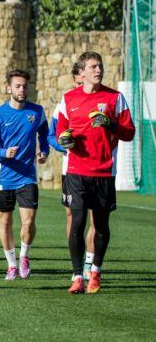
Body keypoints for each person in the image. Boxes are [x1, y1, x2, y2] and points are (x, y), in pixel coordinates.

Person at [55, 51, 135, 294]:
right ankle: (77, 276)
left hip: (103, 172)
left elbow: (129, 133)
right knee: (77, 221)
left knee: (100, 225)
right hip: (76, 171)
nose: (98, 70)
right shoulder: (68, 99)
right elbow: (61, 132)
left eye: (99, 66)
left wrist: (109, 124)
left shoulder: (115, 98)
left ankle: (96, 272)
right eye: (92, 66)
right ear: (81, 72)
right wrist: (65, 140)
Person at [0, 69, 49, 281]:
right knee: (5, 223)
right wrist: (4, 152)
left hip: (27, 177)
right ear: (9, 88)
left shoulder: (37, 112)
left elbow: (45, 134)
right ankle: (11, 264)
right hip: (3, 178)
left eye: (24, 86)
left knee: (28, 222)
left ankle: (24, 256)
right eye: (18, 86)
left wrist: (44, 151)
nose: (22, 89)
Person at [48, 63, 96, 280]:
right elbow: (52, 136)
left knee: (95, 218)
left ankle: (89, 262)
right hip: (72, 169)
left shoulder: (101, 101)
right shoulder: (65, 103)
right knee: (73, 216)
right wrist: (63, 145)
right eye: (77, 83)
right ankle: (76, 263)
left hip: (96, 168)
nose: (81, 86)